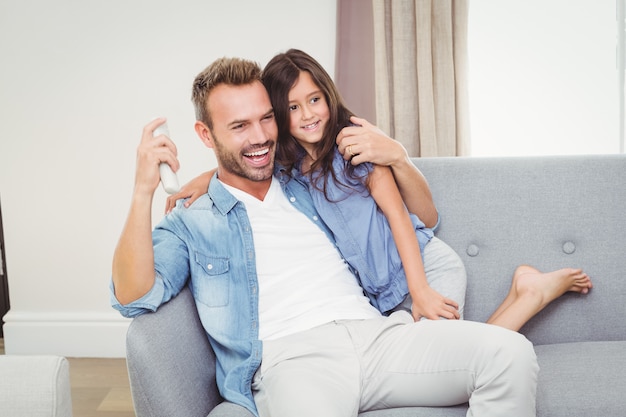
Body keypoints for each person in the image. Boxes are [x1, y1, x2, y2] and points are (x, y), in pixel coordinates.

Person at [112, 55, 543, 417]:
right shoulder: (191, 219)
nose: (260, 136)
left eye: (266, 119)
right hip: (294, 359)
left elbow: (418, 214)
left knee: (510, 355)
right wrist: (142, 192)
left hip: (376, 335)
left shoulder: (305, 177)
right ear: (206, 135)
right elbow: (133, 295)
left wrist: (396, 156)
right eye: (240, 126)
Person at [163, 49, 592, 328]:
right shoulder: (288, 169)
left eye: (315, 99)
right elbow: (243, 165)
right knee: (448, 360)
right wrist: (205, 179)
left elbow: (401, 218)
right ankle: (526, 289)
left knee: (449, 359)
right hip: (381, 296)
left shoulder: (355, 147)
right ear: (277, 115)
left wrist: (421, 289)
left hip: (423, 269)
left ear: (329, 96)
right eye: (292, 107)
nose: (309, 114)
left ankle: (532, 293)